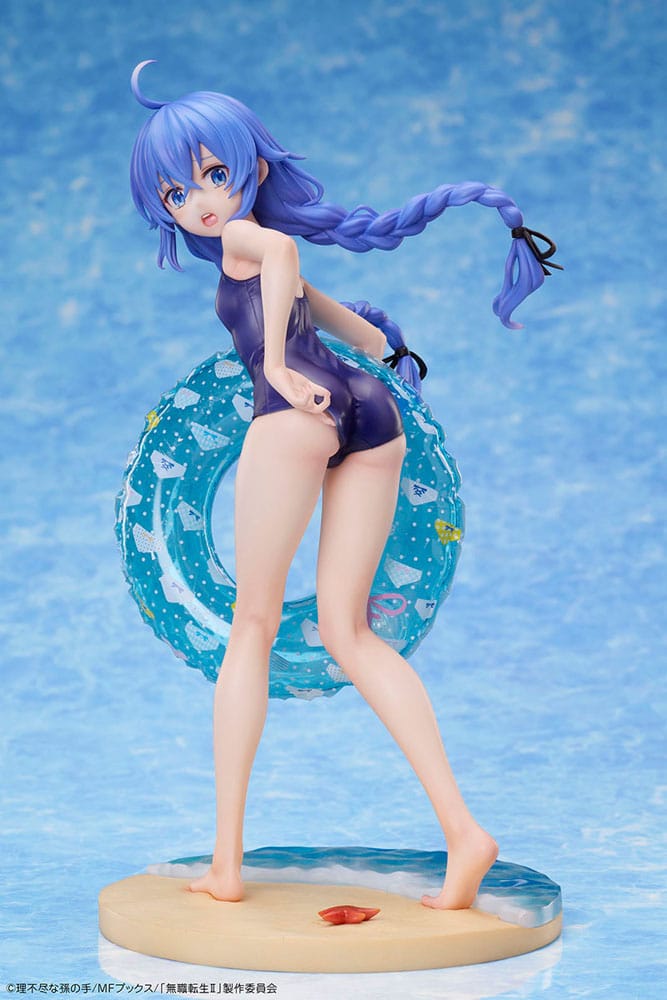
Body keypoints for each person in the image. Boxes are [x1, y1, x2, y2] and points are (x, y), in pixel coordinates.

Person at [129, 60, 559, 909]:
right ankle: (464, 833)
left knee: (251, 625)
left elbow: (279, 251)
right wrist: (382, 349)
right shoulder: (253, 258)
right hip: (369, 413)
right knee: (349, 633)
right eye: (178, 192)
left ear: (253, 169)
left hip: (298, 416)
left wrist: (278, 370)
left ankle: (226, 866)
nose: (201, 202)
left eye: (213, 175)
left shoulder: (247, 243)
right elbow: (353, 330)